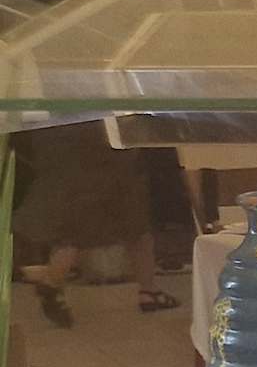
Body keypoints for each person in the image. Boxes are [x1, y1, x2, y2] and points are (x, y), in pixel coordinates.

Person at [12, 122, 177, 328]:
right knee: (132, 223)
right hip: (105, 148)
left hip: (61, 146)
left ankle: (51, 282)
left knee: (75, 229)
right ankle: (148, 290)